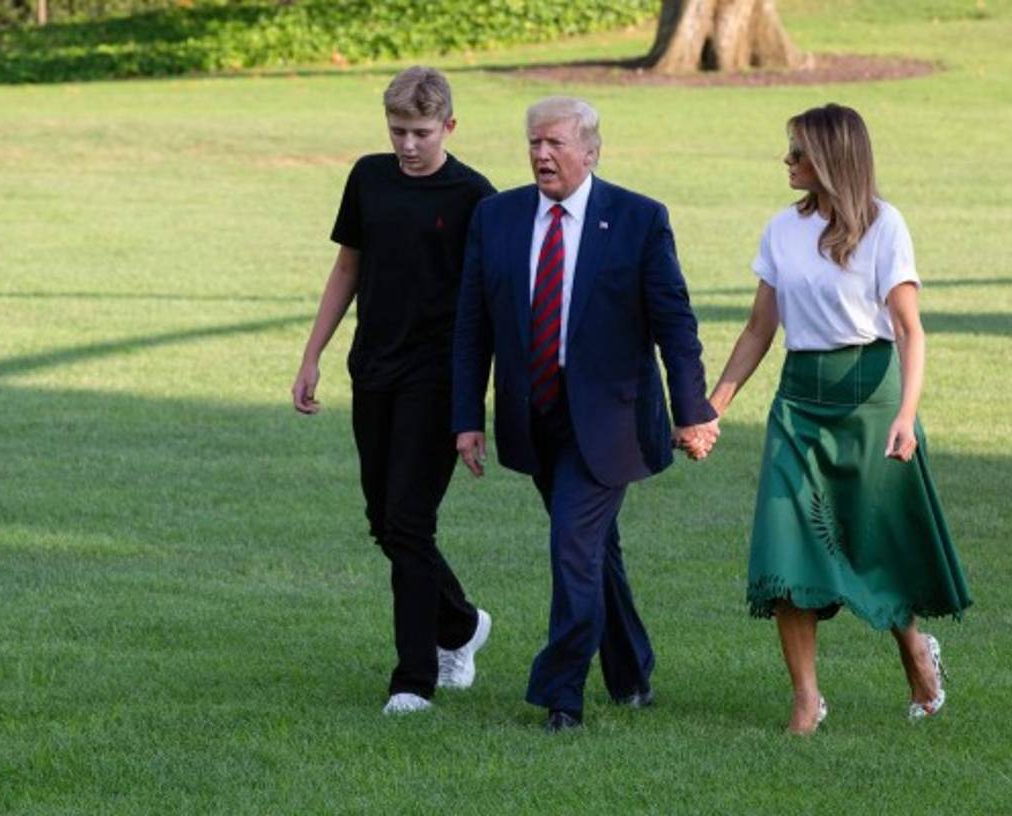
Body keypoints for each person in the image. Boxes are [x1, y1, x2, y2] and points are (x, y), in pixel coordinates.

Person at [452, 96, 719, 732]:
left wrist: (692, 410)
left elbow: (674, 325)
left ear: (591, 151)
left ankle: (561, 693)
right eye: (534, 144)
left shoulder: (637, 219)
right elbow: (472, 327)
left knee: (572, 543)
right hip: (534, 416)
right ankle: (630, 674)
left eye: (556, 145)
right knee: (596, 552)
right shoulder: (497, 218)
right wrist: (467, 417)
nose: (542, 155)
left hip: (611, 423)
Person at [708, 103, 972, 733]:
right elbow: (757, 330)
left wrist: (906, 416)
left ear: (831, 159)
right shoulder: (780, 229)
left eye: (797, 152)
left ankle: (913, 645)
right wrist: (711, 408)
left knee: (875, 542)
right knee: (784, 548)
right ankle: (806, 698)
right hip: (799, 402)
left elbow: (910, 330)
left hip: (872, 401)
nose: (787, 162)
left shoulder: (886, 226)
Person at [291, 66, 496, 716]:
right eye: (397, 130)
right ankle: (460, 624)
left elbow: (488, 307)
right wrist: (312, 355)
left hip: (435, 378)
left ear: (449, 127)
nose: (407, 144)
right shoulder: (368, 177)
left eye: (420, 132)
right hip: (371, 368)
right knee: (384, 523)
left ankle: (414, 681)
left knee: (409, 521)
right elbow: (347, 265)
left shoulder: (474, 198)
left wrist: (475, 405)